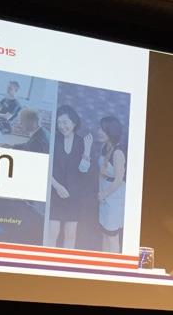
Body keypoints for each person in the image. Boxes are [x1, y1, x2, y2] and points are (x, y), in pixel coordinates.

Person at [49, 106, 94, 248]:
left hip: (74, 195)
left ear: (74, 122)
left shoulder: (81, 142)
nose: (62, 126)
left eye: (65, 122)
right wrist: (57, 186)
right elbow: (45, 167)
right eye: (59, 123)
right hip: (54, 191)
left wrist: (87, 149)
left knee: (70, 234)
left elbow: (83, 170)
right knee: (52, 232)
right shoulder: (53, 140)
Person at [96, 116, 126, 253]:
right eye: (99, 128)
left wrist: (104, 194)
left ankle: (113, 264)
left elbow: (119, 180)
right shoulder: (104, 147)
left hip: (114, 197)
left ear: (111, 131)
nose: (99, 132)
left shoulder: (118, 152)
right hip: (104, 195)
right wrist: (100, 193)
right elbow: (101, 172)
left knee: (112, 236)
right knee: (104, 233)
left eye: (103, 130)